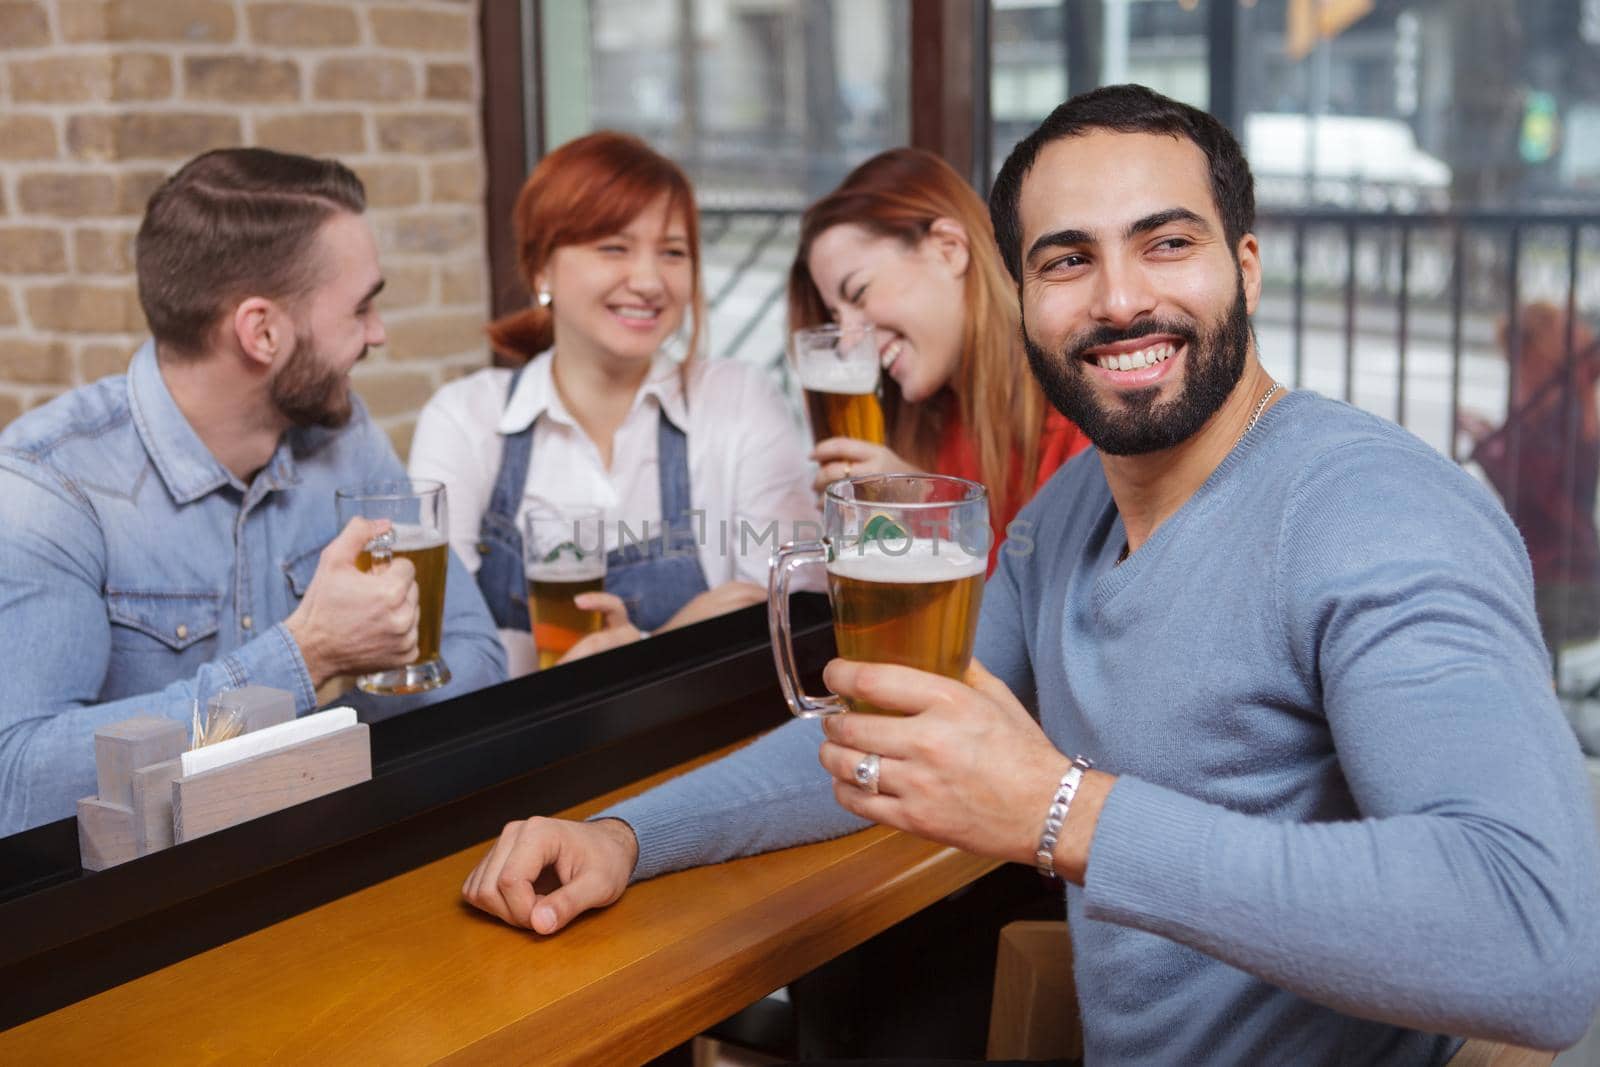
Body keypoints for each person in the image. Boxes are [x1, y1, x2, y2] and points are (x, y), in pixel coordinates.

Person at [461, 86, 1600, 1064]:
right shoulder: (1066, 516)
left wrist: (1060, 810)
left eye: (1167, 242)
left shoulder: (1374, 511)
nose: (1116, 299)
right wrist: (623, 834)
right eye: (1067, 260)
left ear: (1243, 267)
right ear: (1021, 298)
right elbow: (896, 726)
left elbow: (1540, 942)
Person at [0, 148, 507, 837]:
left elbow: (476, 658)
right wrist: (305, 658)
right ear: (262, 331)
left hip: (333, 861)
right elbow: (17, 783)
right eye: (361, 309)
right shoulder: (52, 485)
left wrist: (322, 691)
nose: (378, 334)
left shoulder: (344, 437)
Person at [409, 132, 815, 678]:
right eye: (613, 248)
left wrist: (627, 651)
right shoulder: (465, 419)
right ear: (541, 269)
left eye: (673, 252)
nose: (648, 282)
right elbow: (435, 646)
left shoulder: (740, 401)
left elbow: (793, 615)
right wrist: (670, 641)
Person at [789, 147, 1091, 561]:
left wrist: (932, 513)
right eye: (836, 317)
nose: (847, 341)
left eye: (858, 293)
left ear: (949, 248)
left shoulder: (1083, 414)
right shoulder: (922, 423)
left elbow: (1057, 611)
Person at [1459, 302, 1600, 659]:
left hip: (1559, 582)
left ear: (1535, 357)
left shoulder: (1560, 410)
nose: (1513, 370)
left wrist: (1486, 447)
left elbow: (1532, 489)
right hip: (1559, 575)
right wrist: (1490, 436)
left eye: (1516, 359)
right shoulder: (1558, 405)